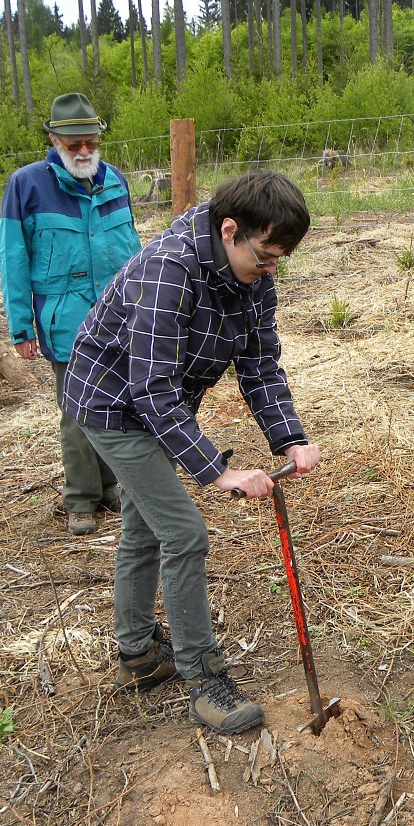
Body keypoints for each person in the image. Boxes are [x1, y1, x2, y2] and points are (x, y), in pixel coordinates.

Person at [62, 171, 321, 734]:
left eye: (280, 260)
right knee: (183, 533)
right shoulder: (169, 270)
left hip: (157, 402)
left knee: (146, 527)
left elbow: (259, 364)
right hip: (112, 405)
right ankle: (203, 679)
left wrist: (290, 438)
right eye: (266, 256)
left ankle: (136, 653)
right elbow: (150, 388)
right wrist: (218, 470)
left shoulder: (251, 275)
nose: (270, 269)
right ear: (230, 230)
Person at [0, 93, 142, 535]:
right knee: (78, 414)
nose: (83, 150)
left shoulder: (114, 180)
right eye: (73, 143)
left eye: (90, 142)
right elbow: (13, 259)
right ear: (53, 140)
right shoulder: (26, 186)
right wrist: (21, 327)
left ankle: (111, 485)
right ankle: (80, 499)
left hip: (120, 319)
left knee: (119, 406)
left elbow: (134, 253)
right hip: (67, 324)